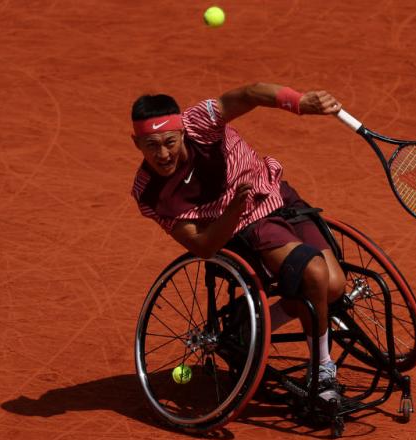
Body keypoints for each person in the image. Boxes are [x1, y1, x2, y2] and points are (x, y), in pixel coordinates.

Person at [130, 82, 346, 400]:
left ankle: (256, 320)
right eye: (151, 145)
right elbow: (203, 246)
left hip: (277, 193)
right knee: (313, 274)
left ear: (181, 133)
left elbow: (250, 94)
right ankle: (322, 370)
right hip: (245, 225)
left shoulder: (200, 122)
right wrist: (232, 210)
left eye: (169, 142)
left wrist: (299, 102)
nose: (162, 154)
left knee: (333, 285)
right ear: (137, 143)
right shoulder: (149, 193)